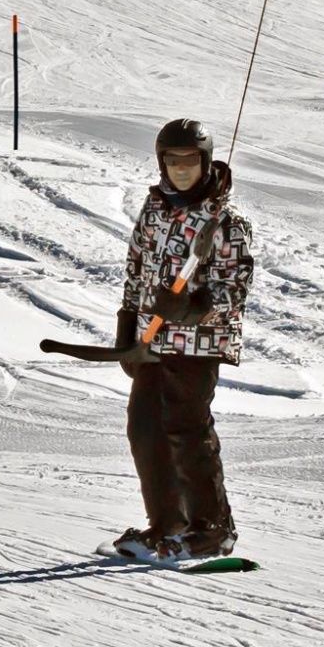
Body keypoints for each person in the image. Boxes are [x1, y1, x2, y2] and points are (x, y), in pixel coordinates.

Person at [112, 119, 255, 564]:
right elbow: (137, 267)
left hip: (198, 344)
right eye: (173, 161)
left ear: (205, 162)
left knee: (185, 429)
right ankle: (168, 524)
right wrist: (126, 323)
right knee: (144, 428)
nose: (181, 169)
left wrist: (194, 308)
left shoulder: (224, 220)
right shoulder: (155, 208)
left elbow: (235, 287)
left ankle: (212, 529)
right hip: (151, 339)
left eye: (190, 161)